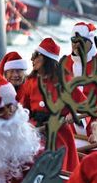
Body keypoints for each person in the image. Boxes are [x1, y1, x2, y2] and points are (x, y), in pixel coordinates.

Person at [17, 37, 79, 172]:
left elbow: (83, 105)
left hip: (59, 133)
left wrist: (71, 113)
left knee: (59, 169)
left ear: (46, 59)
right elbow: (23, 109)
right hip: (36, 132)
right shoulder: (31, 81)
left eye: (36, 56)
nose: (32, 59)